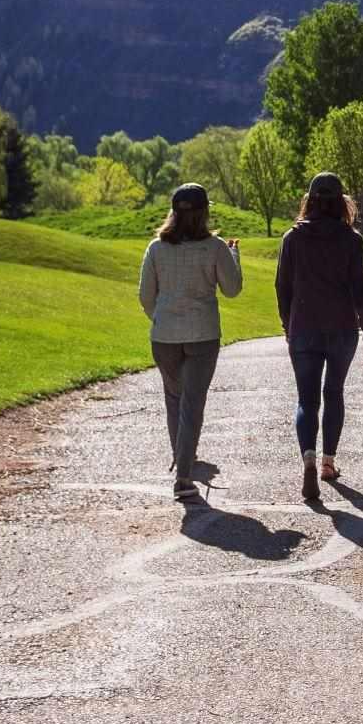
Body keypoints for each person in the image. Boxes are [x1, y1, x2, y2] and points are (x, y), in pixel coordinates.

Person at [274, 171, 363, 504]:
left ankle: (307, 456)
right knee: (333, 393)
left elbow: (282, 287)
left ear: (309, 200)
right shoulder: (352, 240)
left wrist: (287, 324)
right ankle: (328, 463)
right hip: (342, 329)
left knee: (307, 399)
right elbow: (362, 292)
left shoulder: (292, 239)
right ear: (341, 202)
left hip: (303, 328)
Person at [137, 182, 243, 501]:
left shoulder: (156, 248)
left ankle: (182, 457)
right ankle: (184, 475)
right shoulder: (215, 247)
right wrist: (235, 256)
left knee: (174, 398)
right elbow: (232, 288)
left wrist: (163, 317)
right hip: (203, 334)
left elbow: (145, 296)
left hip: (164, 335)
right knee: (193, 402)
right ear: (204, 212)